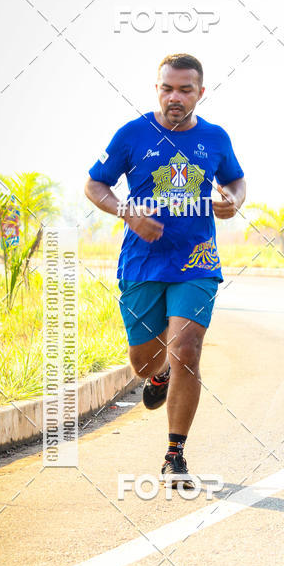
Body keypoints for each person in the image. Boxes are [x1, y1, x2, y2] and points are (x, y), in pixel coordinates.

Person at [85, 53, 245, 483]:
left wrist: (234, 200)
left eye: (185, 90)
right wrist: (125, 211)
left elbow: (235, 180)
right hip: (142, 263)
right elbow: (93, 183)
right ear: (157, 88)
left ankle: (175, 453)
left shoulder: (214, 138)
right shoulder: (132, 134)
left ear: (200, 92)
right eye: (167, 88)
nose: (175, 98)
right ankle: (158, 376)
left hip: (197, 262)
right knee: (144, 361)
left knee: (188, 350)